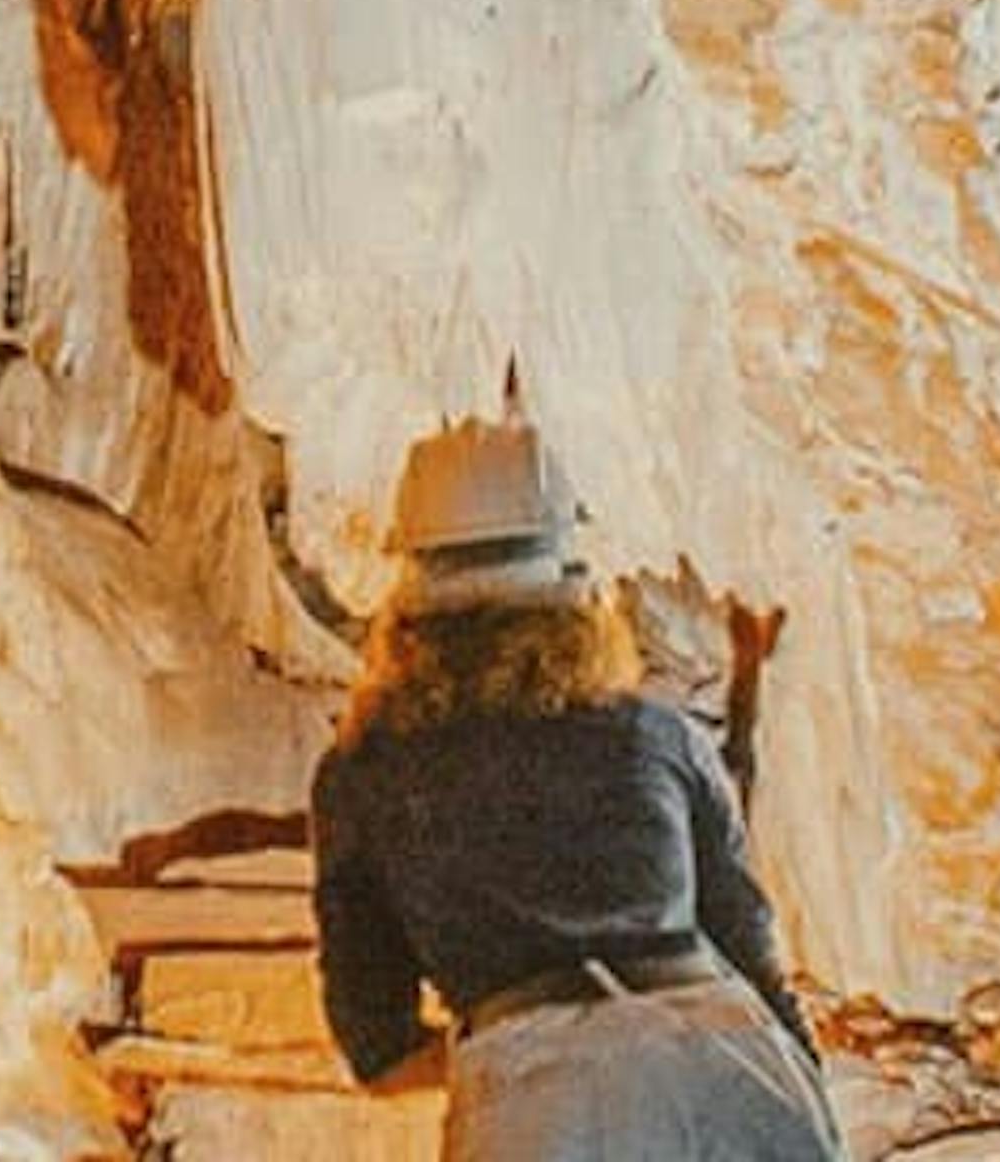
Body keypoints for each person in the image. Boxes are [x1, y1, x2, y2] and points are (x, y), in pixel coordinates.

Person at [309, 417, 847, 1160]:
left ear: (409, 600)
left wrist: (503, 1044)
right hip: (729, 1060)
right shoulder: (659, 733)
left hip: (544, 1103)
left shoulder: (364, 774)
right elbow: (753, 954)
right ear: (574, 588)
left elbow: (376, 1046)